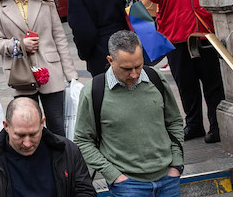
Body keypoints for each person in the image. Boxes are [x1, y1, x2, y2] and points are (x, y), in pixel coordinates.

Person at [74, 30, 184, 196]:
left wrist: (176, 164)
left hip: (168, 179)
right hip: (127, 186)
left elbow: (174, 121)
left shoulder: (156, 79)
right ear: (110, 61)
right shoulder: (93, 92)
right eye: (126, 69)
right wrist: (113, 175)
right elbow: (82, 140)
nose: (134, 74)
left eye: (138, 66)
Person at [145, 0, 225, 143]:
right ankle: (194, 125)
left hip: (204, 36)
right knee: (187, 86)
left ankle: (217, 126)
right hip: (177, 38)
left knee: (213, 84)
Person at [0, 0, 77, 136]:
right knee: (29, 126)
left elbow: (59, 36)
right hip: (20, 73)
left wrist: (71, 75)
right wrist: (18, 45)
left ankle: (60, 162)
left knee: (57, 125)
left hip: (50, 68)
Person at [0, 97, 96, 197]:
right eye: (20, 135)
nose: (27, 143)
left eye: (33, 134)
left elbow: (85, 191)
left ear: (42, 123)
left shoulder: (67, 150)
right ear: (6, 126)